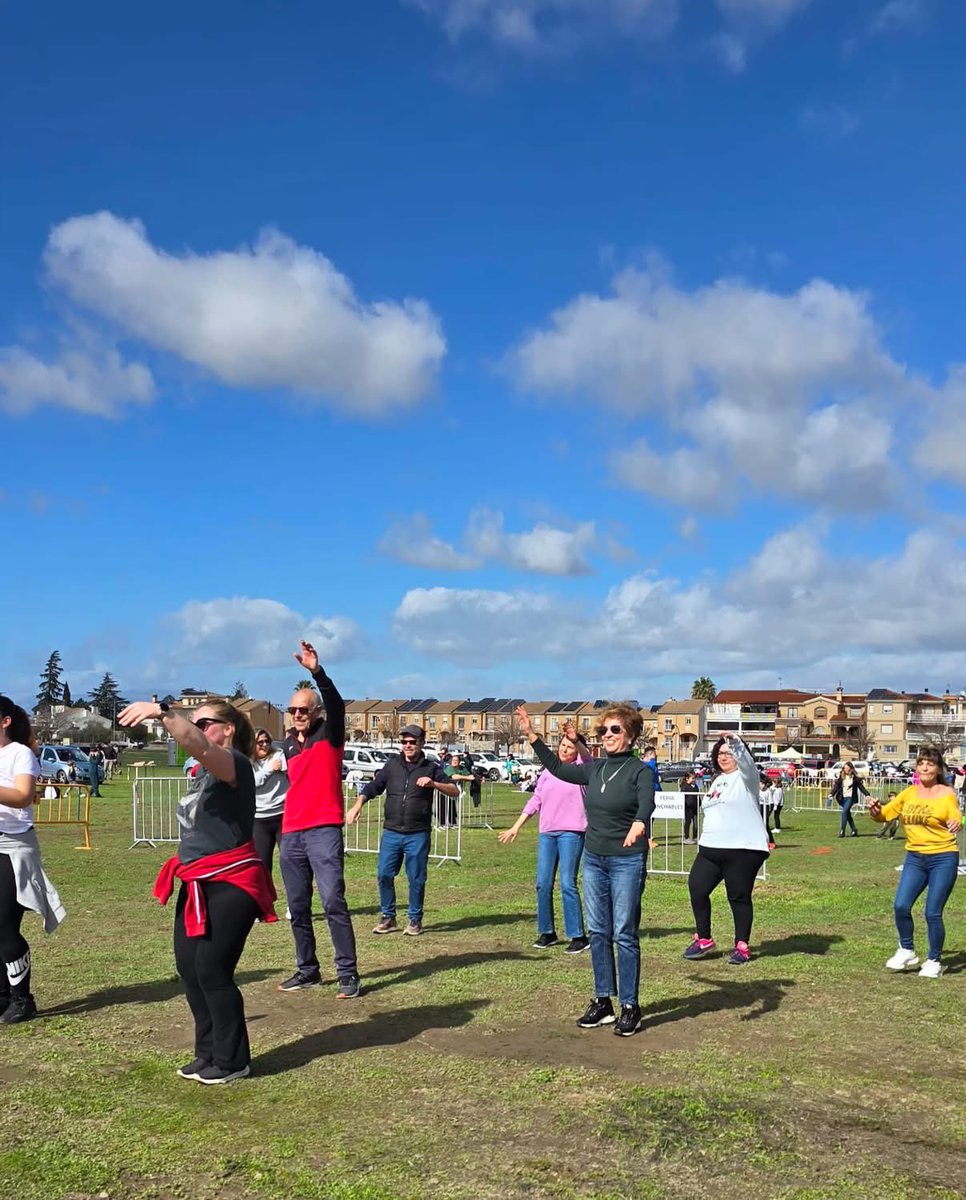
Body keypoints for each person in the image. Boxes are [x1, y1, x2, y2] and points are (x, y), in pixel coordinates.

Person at [118, 697, 275, 1084]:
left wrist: (165, 715)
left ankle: (232, 1060)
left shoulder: (234, 764)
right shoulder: (203, 774)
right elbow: (198, 750)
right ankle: (207, 1054)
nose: (199, 728)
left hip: (230, 882)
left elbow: (200, 746)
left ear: (229, 729)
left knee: (213, 970)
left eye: (205, 722)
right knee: (190, 969)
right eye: (197, 722)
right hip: (196, 879)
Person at [517, 702, 654, 1037]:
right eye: (603, 731)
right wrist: (534, 737)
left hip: (626, 860)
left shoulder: (640, 771)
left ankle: (630, 1006)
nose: (607, 735)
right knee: (598, 931)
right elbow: (556, 767)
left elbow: (648, 801)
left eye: (615, 730)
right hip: (594, 858)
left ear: (631, 735)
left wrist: (639, 822)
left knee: (623, 932)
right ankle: (603, 1001)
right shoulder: (595, 770)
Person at [277, 641, 361, 999]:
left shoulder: (329, 735)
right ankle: (307, 969)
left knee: (332, 902)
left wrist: (317, 673)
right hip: (291, 832)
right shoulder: (286, 746)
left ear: (315, 712)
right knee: (297, 907)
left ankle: (348, 973)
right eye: (293, 710)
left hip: (324, 829)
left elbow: (338, 705)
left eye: (304, 709)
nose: (298, 714)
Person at [346, 725, 458, 936]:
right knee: (384, 874)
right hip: (392, 832)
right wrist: (357, 805)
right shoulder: (392, 766)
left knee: (416, 878)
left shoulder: (431, 767)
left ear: (421, 743)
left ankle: (415, 920)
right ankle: (388, 917)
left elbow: (454, 790)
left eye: (412, 742)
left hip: (418, 832)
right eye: (404, 742)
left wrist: (434, 783)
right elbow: (373, 787)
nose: (408, 745)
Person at [0, 696, 66, 1024]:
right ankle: (2, 996)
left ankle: (22, 999)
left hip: (12, 847)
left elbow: (24, 795)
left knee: (5, 925)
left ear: (5, 720)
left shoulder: (19, 753)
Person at [867, 748, 961, 978]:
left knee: (932, 912)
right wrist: (875, 810)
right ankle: (907, 949)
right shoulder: (908, 793)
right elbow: (884, 815)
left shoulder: (946, 793)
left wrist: (956, 823)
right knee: (901, 905)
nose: (925, 767)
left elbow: (955, 815)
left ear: (938, 768)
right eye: (921, 763)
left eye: (930, 763)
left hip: (943, 857)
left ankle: (934, 961)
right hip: (915, 858)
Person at [498, 722, 590, 954]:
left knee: (567, 883)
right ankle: (547, 932)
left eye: (570, 747)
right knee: (543, 883)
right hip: (548, 833)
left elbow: (587, 757)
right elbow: (535, 800)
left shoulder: (583, 769)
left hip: (572, 832)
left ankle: (578, 935)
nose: (565, 750)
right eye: (563, 746)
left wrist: (576, 740)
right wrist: (515, 826)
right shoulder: (548, 772)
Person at [683, 733, 770, 965]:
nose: (724, 757)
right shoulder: (718, 780)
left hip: (743, 849)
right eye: (720, 753)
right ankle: (704, 938)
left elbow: (747, 763)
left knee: (738, 896)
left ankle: (742, 945)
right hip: (711, 848)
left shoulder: (746, 777)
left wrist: (736, 744)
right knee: (697, 887)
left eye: (728, 753)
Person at [251, 729, 288, 879]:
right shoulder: (247, 761)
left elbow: (284, 766)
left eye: (267, 741)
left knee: (290, 860)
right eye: (260, 742)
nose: (265, 745)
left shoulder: (278, 753)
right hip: (259, 819)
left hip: (283, 815)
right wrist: (269, 769)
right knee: (263, 865)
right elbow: (252, 782)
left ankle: (294, 902)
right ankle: (265, 901)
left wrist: (274, 768)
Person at [831, 762, 869, 838]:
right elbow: (837, 786)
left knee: (844, 812)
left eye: (847, 768)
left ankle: (842, 831)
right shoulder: (841, 777)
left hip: (850, 798)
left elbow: (861, 787)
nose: (846, 770)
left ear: (851, 769)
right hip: (842, 798)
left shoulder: (855, 778)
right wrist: (831, 794)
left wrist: (867, 794)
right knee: (847, 814)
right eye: (845, 768)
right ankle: (854, 830)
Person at [440, 754, 470, 827]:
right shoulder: (449, 768)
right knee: (443, 806)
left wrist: (466, 777)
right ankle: (442, 824)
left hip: (455, 791)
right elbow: (454, 776)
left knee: (453, 806)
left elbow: (469, 775)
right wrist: (466, 777)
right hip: (444, 789)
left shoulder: (462, 768)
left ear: (459, 761)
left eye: (456, 760)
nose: (454, 762)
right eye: (453, 760)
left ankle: (453, 822)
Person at [681, 769, 701, 845]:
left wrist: (699, 803)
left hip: (695, 808)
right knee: (688, 822)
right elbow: (682, 797)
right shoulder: (684, 786)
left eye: (694, 778)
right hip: (687, 808)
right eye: (692, 778)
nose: (694, 780)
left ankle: (695, 837)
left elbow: (698, 795)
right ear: (687, 778)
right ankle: (686, 837)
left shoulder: (696, 786)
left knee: (695, 823)